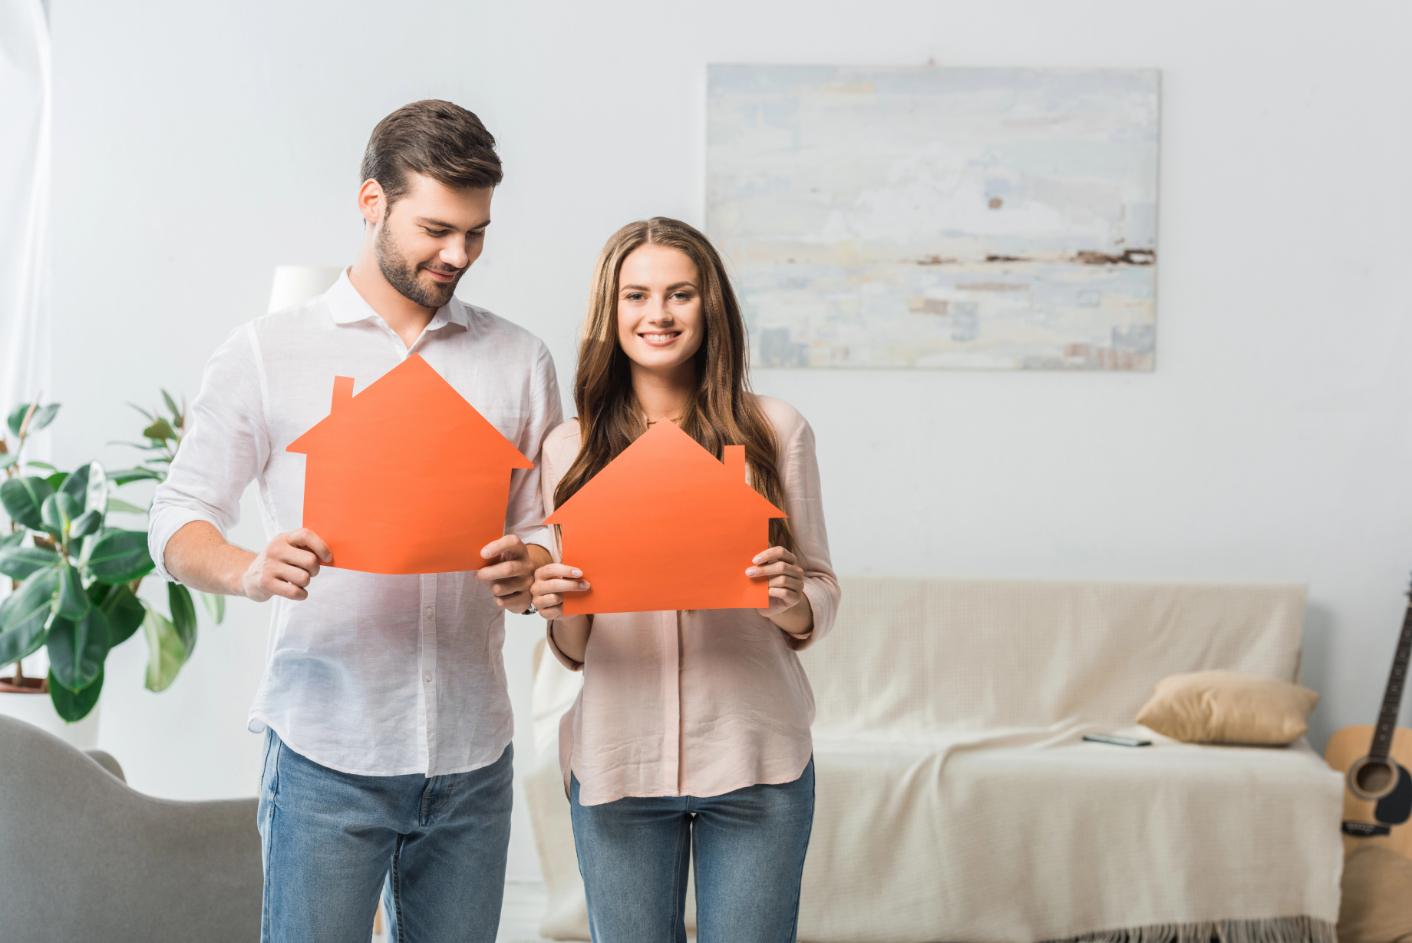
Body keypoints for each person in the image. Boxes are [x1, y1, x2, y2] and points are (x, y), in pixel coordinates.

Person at [148, 100, 561, 943]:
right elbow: (176, 516)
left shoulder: (520, 359)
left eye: (477, 233)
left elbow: (550, 527)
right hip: (324, 754)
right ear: (371, 202)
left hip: (473, 757)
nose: (458, 254)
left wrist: (530, 569)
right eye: (438, 228)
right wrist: (249, 568)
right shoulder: (268, 351)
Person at [530, 217, 839, 943]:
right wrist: (561, 605)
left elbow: (821, 590)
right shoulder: (570, 447)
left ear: (712, 308)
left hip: (756, 756)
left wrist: (792, 598)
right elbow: (574, 648)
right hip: (617, 764)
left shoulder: (775, 430)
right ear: (611, 312)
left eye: (680, 294)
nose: (658, 314)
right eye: (636, 295)